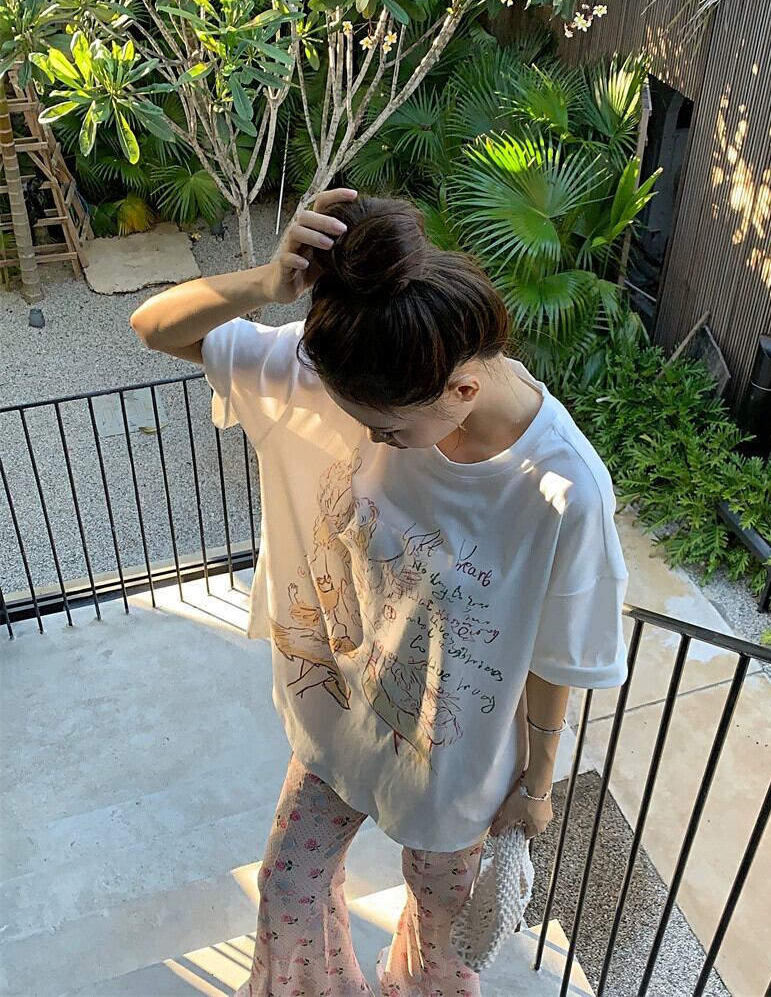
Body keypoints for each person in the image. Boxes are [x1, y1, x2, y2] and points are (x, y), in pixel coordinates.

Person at [130, 187, 630, 997]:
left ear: (461, 392)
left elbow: (558, 658)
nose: (371, 440)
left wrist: (538, 788)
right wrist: (267, 282)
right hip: (339, 716)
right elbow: (153, 326)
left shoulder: (562, 490)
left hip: (454, 767)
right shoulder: (368, 367)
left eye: (389, 430)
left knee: (442, 941)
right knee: (287, 885)